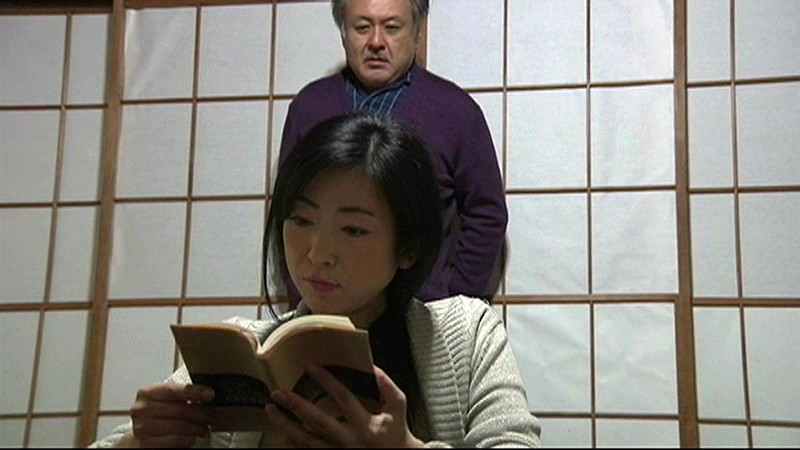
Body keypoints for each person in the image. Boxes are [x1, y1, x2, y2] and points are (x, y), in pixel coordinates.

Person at [90, 114, 540, 448]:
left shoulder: (466, 334)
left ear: (407, 248)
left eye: (353, 230)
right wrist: (140, 441)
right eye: (301, 220)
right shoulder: (242, 349)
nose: (317, 253)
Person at [279, 0, 507, 302]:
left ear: (417, 32)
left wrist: (454, 297)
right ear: (343, 33)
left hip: (423, 309)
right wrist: (302, 296)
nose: (376, 41)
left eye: (392, 27)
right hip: (325, 308)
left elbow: (487, 213)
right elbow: (286, 209)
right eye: (362, 27)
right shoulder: (309, 107)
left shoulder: (456, 111)